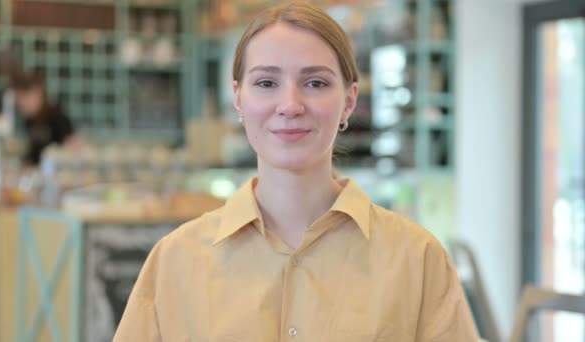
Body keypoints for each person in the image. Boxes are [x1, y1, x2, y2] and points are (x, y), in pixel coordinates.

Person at [114, 2, 479, 341]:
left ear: (349, 102)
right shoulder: (175, 261)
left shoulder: (417, 259)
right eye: (266, 83)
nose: (290, 105)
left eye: (315, 83)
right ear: (239, 98)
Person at [10, 70, 77, 167]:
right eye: (19, 102)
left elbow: (74, 148)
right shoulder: (30, 120)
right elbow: (35, 152)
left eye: (25, 99)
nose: (22, 105)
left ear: (38, 93)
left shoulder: (56, 116)